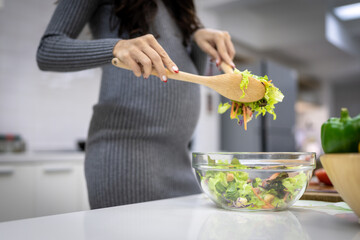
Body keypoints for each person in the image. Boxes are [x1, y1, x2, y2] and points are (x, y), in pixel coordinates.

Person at [37, 0, 236, 209]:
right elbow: (47, 50)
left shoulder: (176, 5)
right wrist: (117, 46)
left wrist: (195, 41)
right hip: (126, 162)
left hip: (179, 160)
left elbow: (182, 73)